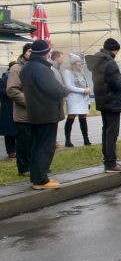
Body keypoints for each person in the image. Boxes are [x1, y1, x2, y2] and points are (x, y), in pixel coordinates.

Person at [19, 40, 70, 190]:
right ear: (46, 53)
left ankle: (36, 178)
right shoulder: (41, 69)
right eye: (49, 51)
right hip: (46, 112)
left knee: (36, 146)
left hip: (35, 112)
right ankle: (41, 180)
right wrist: (64, 90)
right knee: (46, 147)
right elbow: (54, 90)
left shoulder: (27, 67)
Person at [85, 38, 121, 172]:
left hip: (103, 101)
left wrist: (119, 77)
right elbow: (118, 85)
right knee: (112, 133)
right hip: (112, 102)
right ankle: (111, 163)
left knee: (106, 131)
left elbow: (106, 80)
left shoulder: (97, 61)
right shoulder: (110, 63)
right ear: (115, 50)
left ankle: (108, 161)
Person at [6, 43, 33, 176]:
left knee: (35, 142)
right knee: (24, 142)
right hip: (23, 113)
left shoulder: (35, 67)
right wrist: (31, 102)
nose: (31, 53)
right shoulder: (16, 68)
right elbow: (12, 90)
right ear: (24, 53)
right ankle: (24, 168)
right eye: (29, 51)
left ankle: (35, 165)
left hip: (38, 113)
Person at [62, 55, 92, 147]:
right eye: (78, 62)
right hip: (74, 98)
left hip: (83, 98)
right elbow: (69, 86)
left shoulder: (80, 72)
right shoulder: (67, 72)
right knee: (71, 118)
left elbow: (85, 84)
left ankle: (86, 139)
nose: (80, 64)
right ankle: (67, 140)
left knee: (83, 119)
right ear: (73, 63)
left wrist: (88, 97)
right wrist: (83, 90)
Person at [0, 63, 17, 158]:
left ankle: (17, 149)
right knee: (9, 132)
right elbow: (1, 92)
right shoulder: (4, 79)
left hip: (17, 107)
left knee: (18, 130)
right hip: (8, 108)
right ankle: (10, 151)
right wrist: (11, 91)